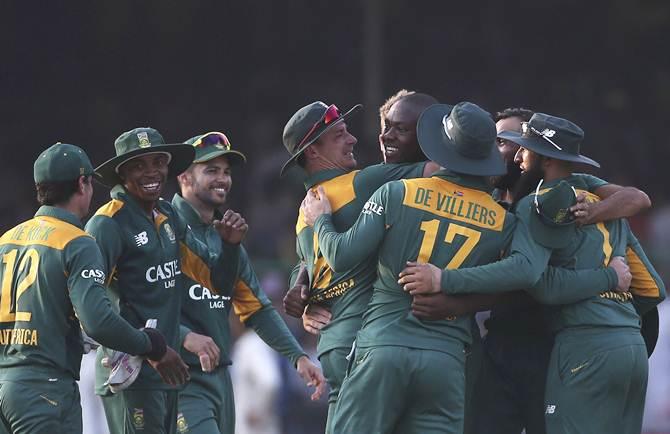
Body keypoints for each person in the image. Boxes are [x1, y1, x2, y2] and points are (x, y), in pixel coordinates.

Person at [402, 112, 666, 434]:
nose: (508, 151)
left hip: (561, 345)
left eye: (512, 142)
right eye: (497, 141)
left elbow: (529, 274)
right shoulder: (487, 201)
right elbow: (651, 289)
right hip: (519, 344)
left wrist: (448, 287)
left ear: (540, 154)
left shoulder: (570, 194)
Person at [279, 100, 437, 433]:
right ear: (313, 152)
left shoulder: (304, 211)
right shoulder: (363, 183)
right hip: (364, 344)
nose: (352, 140)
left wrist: (300, 288)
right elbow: (440, 170)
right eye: (339, 135)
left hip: (333, 346)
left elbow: (304, 263)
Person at [0, 143, 170, 434]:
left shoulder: (7, 239)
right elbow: (98, 322)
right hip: (46, 389)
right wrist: (149, 344)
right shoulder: (77, 241)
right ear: (83, 183)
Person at [86, 127, 244, 434]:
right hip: (130, 374)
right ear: (122, 173)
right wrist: (148, 348)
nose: (152, 172)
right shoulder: (107, 224)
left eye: (158, 162)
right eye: (139, 165)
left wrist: (230, 246)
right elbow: (92, 306)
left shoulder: (168, 215)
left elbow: (216, 282)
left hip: (168, 371)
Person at [172, 131, 325, 434]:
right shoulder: (163, 228)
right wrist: (182, 335)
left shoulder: (226, 239)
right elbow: (131, 301)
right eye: (211, 170)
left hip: (217, 378)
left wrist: (296, 356)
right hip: (176, 377)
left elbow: (258, 310)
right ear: (184, 177)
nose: (223, 179)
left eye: (227, 172)